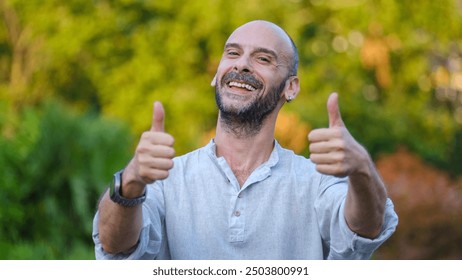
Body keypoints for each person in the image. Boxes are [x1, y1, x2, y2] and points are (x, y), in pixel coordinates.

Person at [92, 20, 398, 260]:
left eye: (263, 58)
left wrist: (361, 170)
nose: (242, 65)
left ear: (291, 88)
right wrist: (129, 182)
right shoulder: (166, 180)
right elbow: (114, 247)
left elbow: (366, 229)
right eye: (233, 53)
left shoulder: (315, 184)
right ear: (217, 74)